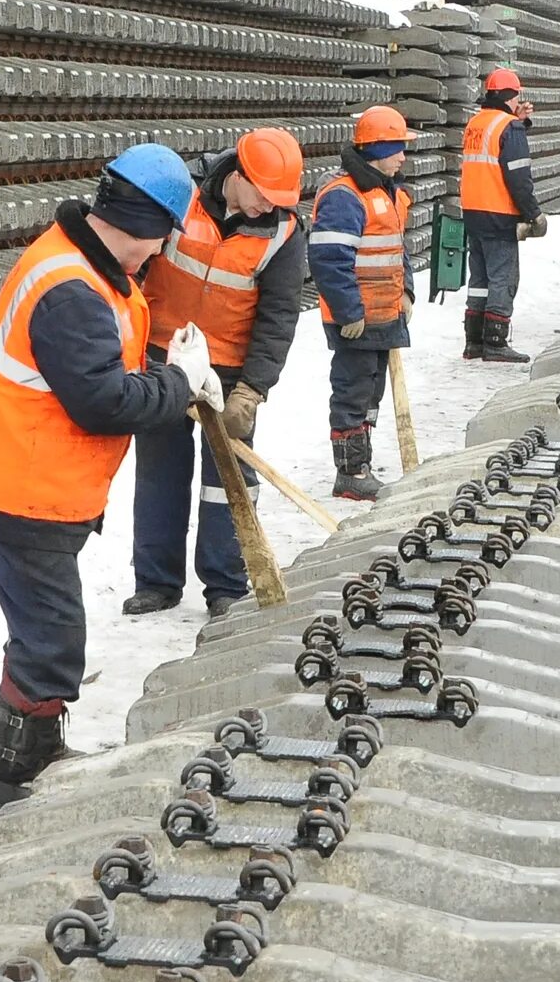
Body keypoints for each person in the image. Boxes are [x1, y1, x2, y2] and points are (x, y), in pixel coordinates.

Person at [0, 144, 222, 815]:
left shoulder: (86, 269)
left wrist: (167, 377)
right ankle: (14, 776)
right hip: (21, 488)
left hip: (36, 483)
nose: (157, 256)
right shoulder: (71, 288)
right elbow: (104, 403)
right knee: (51, 640)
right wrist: (178, 383)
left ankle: (23, 762)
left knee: (46, 633)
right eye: (160, 242)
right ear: (145, 223)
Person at [126, 129, 307, 619]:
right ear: (238, 176)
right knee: (159, 473)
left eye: (278, 200)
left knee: (229, 481)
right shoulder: (178, 198)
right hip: (164, 359)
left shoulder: (284, 233)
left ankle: (226, 584)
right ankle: (156, 582)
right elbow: (131, 269)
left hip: (228, 373)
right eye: (262, 196)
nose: (267, 208)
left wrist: (251, 391)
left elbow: (279, 316)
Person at [312, 104, 416, 500]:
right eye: (397, 148)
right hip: (358, 319)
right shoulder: (344, 196)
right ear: (376, 150)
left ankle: (362, 460)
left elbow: (396, 247)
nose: (403, 156)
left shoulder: (388, 192)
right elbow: (328, 258)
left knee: (370, 394)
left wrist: (405, 290)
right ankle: (350, 472)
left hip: (383, 314)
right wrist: (348, 312)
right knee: (352, 392)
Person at [459, 67, 545, 364]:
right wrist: (532, 213)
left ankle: (474, 341)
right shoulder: (509, 127)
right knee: (503, 278)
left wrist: (518, 121)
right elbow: (518, 176)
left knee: (480, 278)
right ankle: (495, 341)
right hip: (499, 212)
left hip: (473, 211)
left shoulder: (476, 123)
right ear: (513, 96)